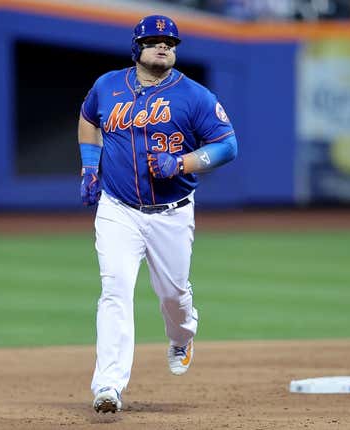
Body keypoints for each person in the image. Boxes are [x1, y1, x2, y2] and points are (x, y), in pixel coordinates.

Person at [78, 14, 238, 414]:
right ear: (137, 49)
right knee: (114, 290)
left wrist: (182, 163)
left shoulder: (195, 96)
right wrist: (88, 166)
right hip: (117, 209)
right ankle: (109, 386)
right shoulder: (107, 86)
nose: (163, 46)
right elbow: (87, 118)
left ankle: (182, 336)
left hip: (171, 214)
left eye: (169, 41)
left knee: (174, 296)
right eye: (153, 40)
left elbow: (227, 146)